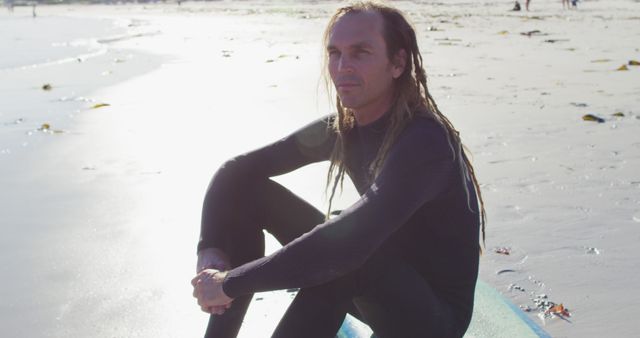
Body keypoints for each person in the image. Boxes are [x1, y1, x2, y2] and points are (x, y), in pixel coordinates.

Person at [191, 2, 486, 337]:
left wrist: (230, 283)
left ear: (398, 63)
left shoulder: (425, 142)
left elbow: (346, 248)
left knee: (342, 256)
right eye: (335, 53)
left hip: (431, 320)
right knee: (251, 194)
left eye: (360, 52)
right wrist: (210, 250)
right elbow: (236, 172)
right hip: (379, 286)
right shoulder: (344, 129)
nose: (343, 66)